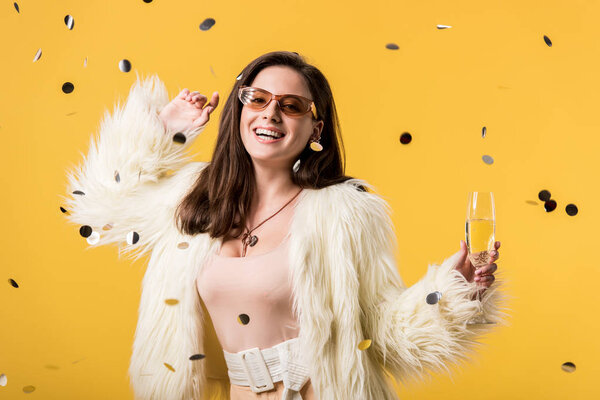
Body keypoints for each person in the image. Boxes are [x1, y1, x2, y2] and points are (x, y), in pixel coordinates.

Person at [62, 51, 510, 400]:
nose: (270, 114)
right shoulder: (193, 199)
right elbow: (101, 205)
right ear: (239, 111)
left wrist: (450, 290)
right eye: (257, 99)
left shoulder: (345, 212)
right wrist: (162, 129)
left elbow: (385, 332)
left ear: (315, 129)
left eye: (290, 105)